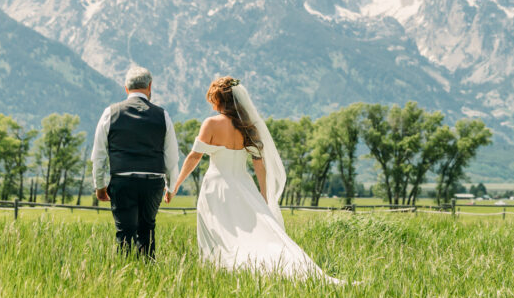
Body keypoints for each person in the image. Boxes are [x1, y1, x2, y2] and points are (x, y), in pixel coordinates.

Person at [171, 76, 341, 282]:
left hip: (217, 187)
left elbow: (194, 157)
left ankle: (220, 271)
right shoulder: (248, 127)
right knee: (254, 232)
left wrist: (176, 185)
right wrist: (263, 195)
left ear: (218, 99)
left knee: (218, 230)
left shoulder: (211, 124)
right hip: (244, 186)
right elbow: (259, 165)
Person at [91, 66, 180, 259]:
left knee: (124, 232)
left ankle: (124, 275)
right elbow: (171, 156)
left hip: (122, 181)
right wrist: (171, 187)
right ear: (150, 87)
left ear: (126, 88)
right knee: (147, 230)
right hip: (153, 181)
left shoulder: (110, 113)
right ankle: (147, 275)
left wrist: (99, 185)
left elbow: (98, 155)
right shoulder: (162, 115)